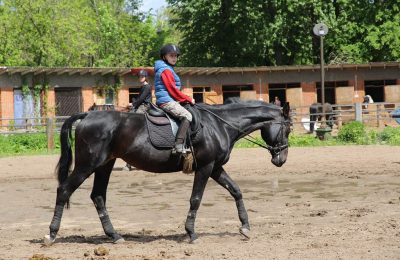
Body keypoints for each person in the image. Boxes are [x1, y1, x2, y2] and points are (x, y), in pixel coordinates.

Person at [154, 44, 195, 154]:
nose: (174, 58)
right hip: (166, 101)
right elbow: (172, 90)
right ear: (164, 57)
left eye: (176, 56)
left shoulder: (167, 68)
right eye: (171, 55)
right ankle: (178, 145)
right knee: (187, 116)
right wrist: (188, 98)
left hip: (168, 99)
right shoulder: (166, 70)